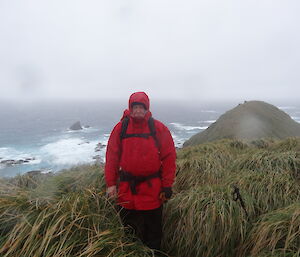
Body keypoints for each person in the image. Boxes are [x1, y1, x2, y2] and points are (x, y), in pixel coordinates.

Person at [105, 92, 176, 252]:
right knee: (129, 232)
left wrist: (167, 185)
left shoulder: (158, 128)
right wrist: (110, 184)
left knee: (153, 233)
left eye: (141, 107)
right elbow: (111, 157)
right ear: (130, 109)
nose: (137, 110)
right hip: (126, 191)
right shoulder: (120, 128)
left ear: (147, 109)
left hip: (152, 191)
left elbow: (169, 157)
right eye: (135, 107)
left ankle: (153, 254)